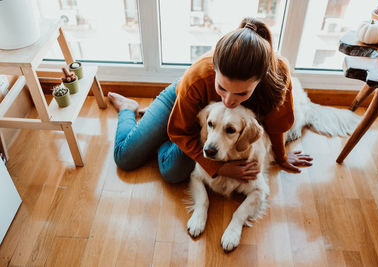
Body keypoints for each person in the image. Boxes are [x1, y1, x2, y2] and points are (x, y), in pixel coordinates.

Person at [108, 17, 313, 184]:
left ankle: (159, 132)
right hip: (180, 99)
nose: (229, 101)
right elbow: (180, 131)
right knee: (125, 158)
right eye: (221, 88)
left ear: (260, 80)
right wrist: (220, 168)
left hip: (213, 128)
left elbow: (277, 124)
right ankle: (129, 108)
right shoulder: (197, 75)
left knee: (173, 173)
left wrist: (282, 157)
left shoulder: (278, 75)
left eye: (241, 94)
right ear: (214, 70)